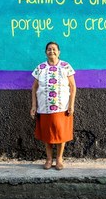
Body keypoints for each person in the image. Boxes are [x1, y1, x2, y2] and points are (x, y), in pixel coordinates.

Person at [30, 41, 77, 170]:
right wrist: (34, 106)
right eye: (49, 49)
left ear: (59, 52)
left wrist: (71, 105)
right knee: (47, 135)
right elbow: (34, 88)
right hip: (44, 108)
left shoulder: (66, 66)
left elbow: (73, 87)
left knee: (61, 134)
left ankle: (59, 159)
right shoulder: (40, 68)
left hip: (62, 107)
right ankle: (49, 159)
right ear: (45, 52)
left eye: (54, 49)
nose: (52, 51)